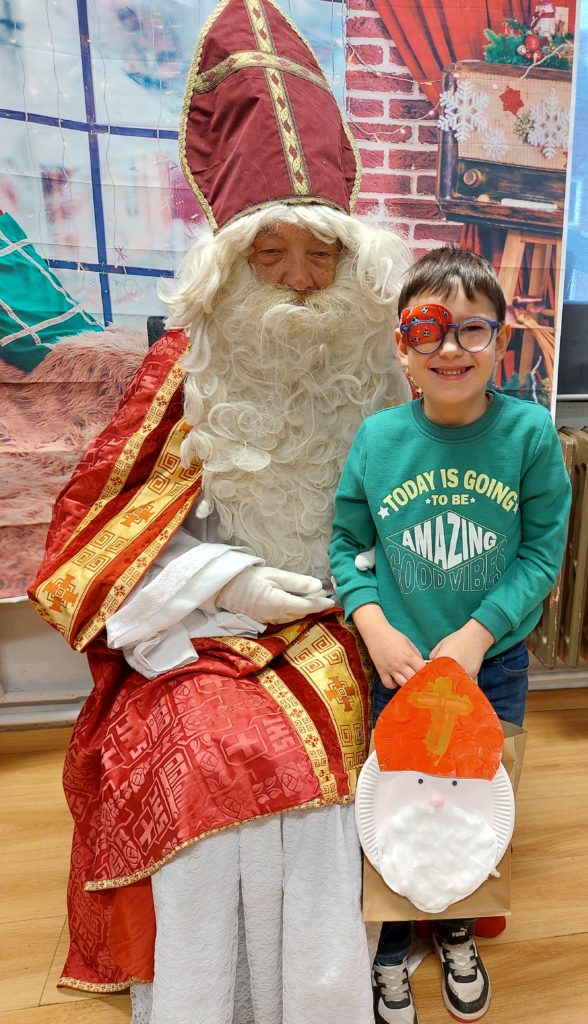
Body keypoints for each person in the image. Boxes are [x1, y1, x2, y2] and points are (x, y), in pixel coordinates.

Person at [28, 2, 411, 1023]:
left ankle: (317, 990)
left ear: (353, 261)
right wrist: (231, 582)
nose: (298, 281)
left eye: (320, 255)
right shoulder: (182, 369)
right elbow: (91, 555)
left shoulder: (383, 370)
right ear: (229, 261)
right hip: (200, 627)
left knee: (313, 769)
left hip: (349, 617)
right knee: (208, 757)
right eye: (269, 254)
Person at [329, 246, 571, 1024]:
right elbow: (347, 545)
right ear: (403, 348)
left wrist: (476, 634)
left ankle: (457, 924)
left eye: (471, 329)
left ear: (500, 342)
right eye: (427, 329)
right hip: (399, 668)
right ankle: (394, 939)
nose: (449, 348)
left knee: (474, 798)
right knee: (398, 797)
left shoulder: (530, 435)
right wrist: (371, 622)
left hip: (491, 665)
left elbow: (541, 554)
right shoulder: (377, 440)